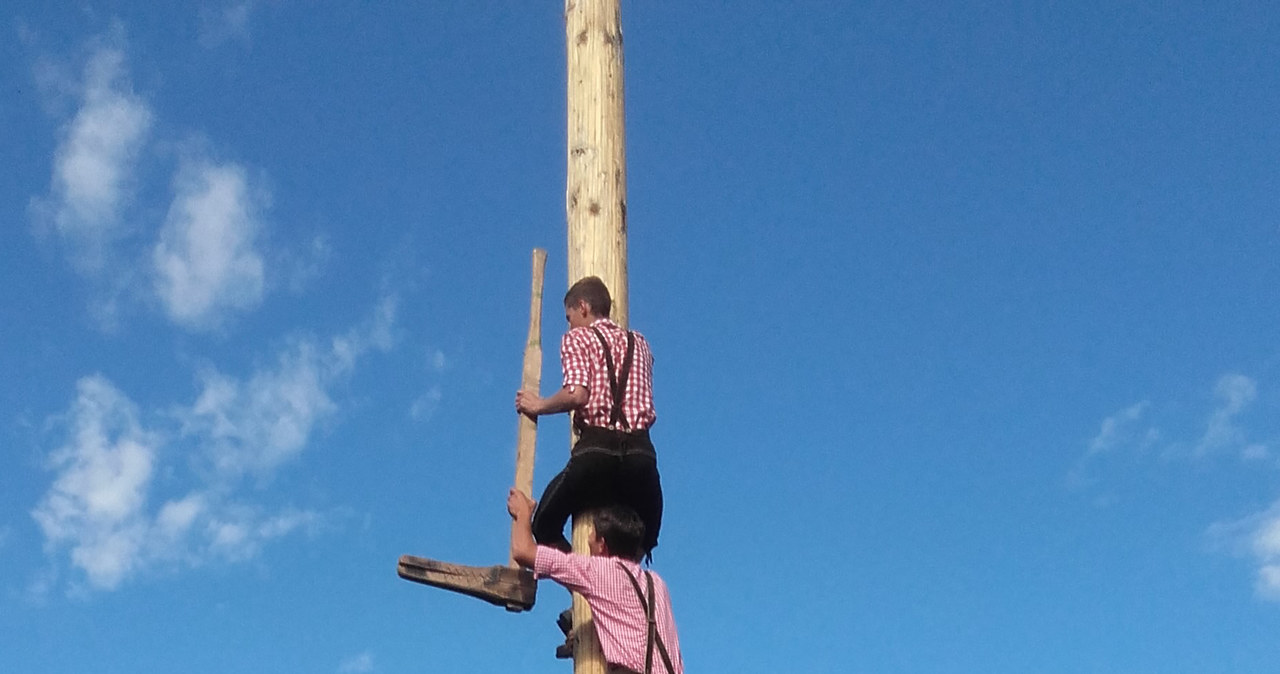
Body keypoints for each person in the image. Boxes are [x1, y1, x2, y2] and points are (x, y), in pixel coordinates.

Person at [515, 276, 663, 555]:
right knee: (645, 536)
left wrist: (539, 405)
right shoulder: (640, 343)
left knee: (544, 523)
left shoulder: (577, 337)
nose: (569, 324)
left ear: (582, 307)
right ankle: (621, 580)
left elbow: (577, 394)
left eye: (569, 316)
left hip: (596, 452)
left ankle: (586, 574)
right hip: (641, 457)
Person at [508, 488, 684, 674]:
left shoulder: (601, 572)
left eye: (591, 535)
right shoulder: (656, 583)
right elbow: (635, 630)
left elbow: (523, 551)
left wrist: (523, 513)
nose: (588, 540)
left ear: (602, 545)